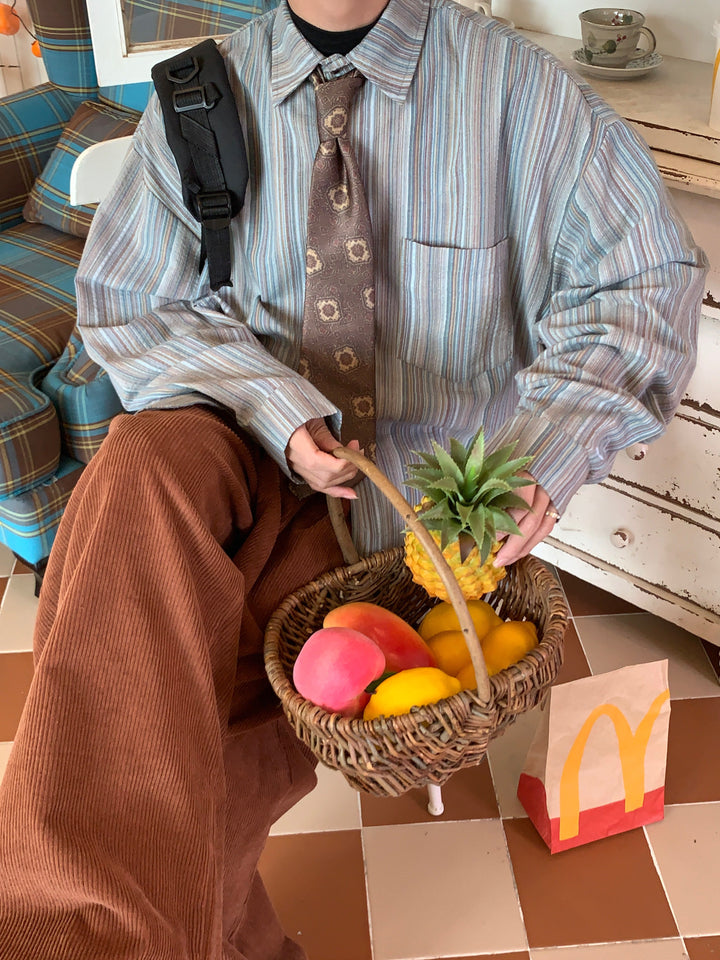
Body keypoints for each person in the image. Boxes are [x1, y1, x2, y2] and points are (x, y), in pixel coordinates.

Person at [0, 0, 707, 958]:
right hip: (244, 462)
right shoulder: (201, 97)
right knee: (136, 470)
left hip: (408, 531)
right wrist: (277, 412)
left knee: (182, 696)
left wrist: (544, 454)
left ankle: (213, 939)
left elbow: (643, 280)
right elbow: (132, 301)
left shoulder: (522, 96)